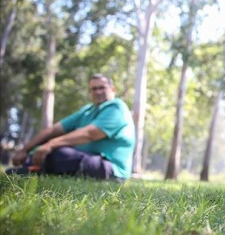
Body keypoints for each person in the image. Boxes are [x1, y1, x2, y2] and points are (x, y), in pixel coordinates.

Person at [6, 73, 136, 181]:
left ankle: (34, 170)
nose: (98, 92)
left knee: (59, 152)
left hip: (111, 168)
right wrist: (25, 150)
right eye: (94, 89)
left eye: (102, 87)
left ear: (112, 89)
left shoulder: (117, 108)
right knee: (47, 146)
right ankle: (30, 167)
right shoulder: (87, 110)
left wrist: (51, 144)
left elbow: (91, 133)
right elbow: (53, 130)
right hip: (86, 158)